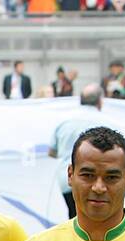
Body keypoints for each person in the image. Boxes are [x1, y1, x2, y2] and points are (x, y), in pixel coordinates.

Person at [48, 85, 104, 220]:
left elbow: (52, 152)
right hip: (97, 181)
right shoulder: (106, 122)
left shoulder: (64, 121)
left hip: (67, 180)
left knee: (74, 218)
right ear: (100, 101)